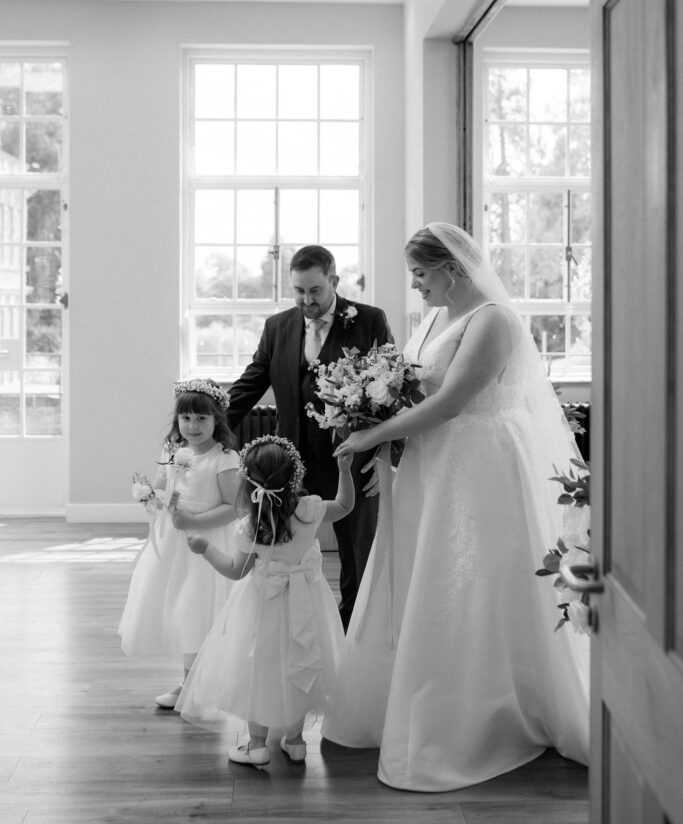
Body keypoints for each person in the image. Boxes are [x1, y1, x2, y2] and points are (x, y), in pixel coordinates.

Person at [321, 223, 590, 792]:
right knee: (425, 576)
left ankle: (478, 712)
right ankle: (419, 696)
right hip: (430, 464)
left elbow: (451, 401)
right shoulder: (437, 317)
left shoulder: (493, 319)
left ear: (453, 268)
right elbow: (415, 387)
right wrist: (370, 412)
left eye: (422, 273)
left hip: (479, 467)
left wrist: (373, 436)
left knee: (472, 582)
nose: (416, 284)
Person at [227, 244, 393, 630]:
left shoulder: (369, 320)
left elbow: (391, 392)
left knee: (357, 552)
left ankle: (354, 632)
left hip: (349, 460)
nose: (306, 300)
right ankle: (291, 630)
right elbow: (250, 385)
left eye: (315, 290)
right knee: (283, 551)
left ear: (333, 281)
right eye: (298, 291)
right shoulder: (277, 326)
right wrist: (206, 423)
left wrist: (384, 454)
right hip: (291, 467)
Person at [176, 435, 355, 768]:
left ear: (247, 481)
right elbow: (344, 506)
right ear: (295, 476)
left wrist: (205, 549)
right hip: (307, 602)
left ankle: (257, 745)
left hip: (263, 607)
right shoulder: (310, 509)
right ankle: (296, 741)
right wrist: (344, 470)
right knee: (301, 663)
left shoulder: (250, 527)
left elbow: (235, 570)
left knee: (259, 669)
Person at [118, 378, 240, 709]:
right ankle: (190, 684)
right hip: (173, 541)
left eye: (202, 418)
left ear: (217, 419)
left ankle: (196, 686)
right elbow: (161, 486)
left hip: (206, 543)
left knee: (194, 610)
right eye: (186, 418)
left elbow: (234, 507)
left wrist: (194, 521)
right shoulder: (171, 450)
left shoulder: (224, 458)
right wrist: (151, 498)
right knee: (177, 610)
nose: (193, 425)